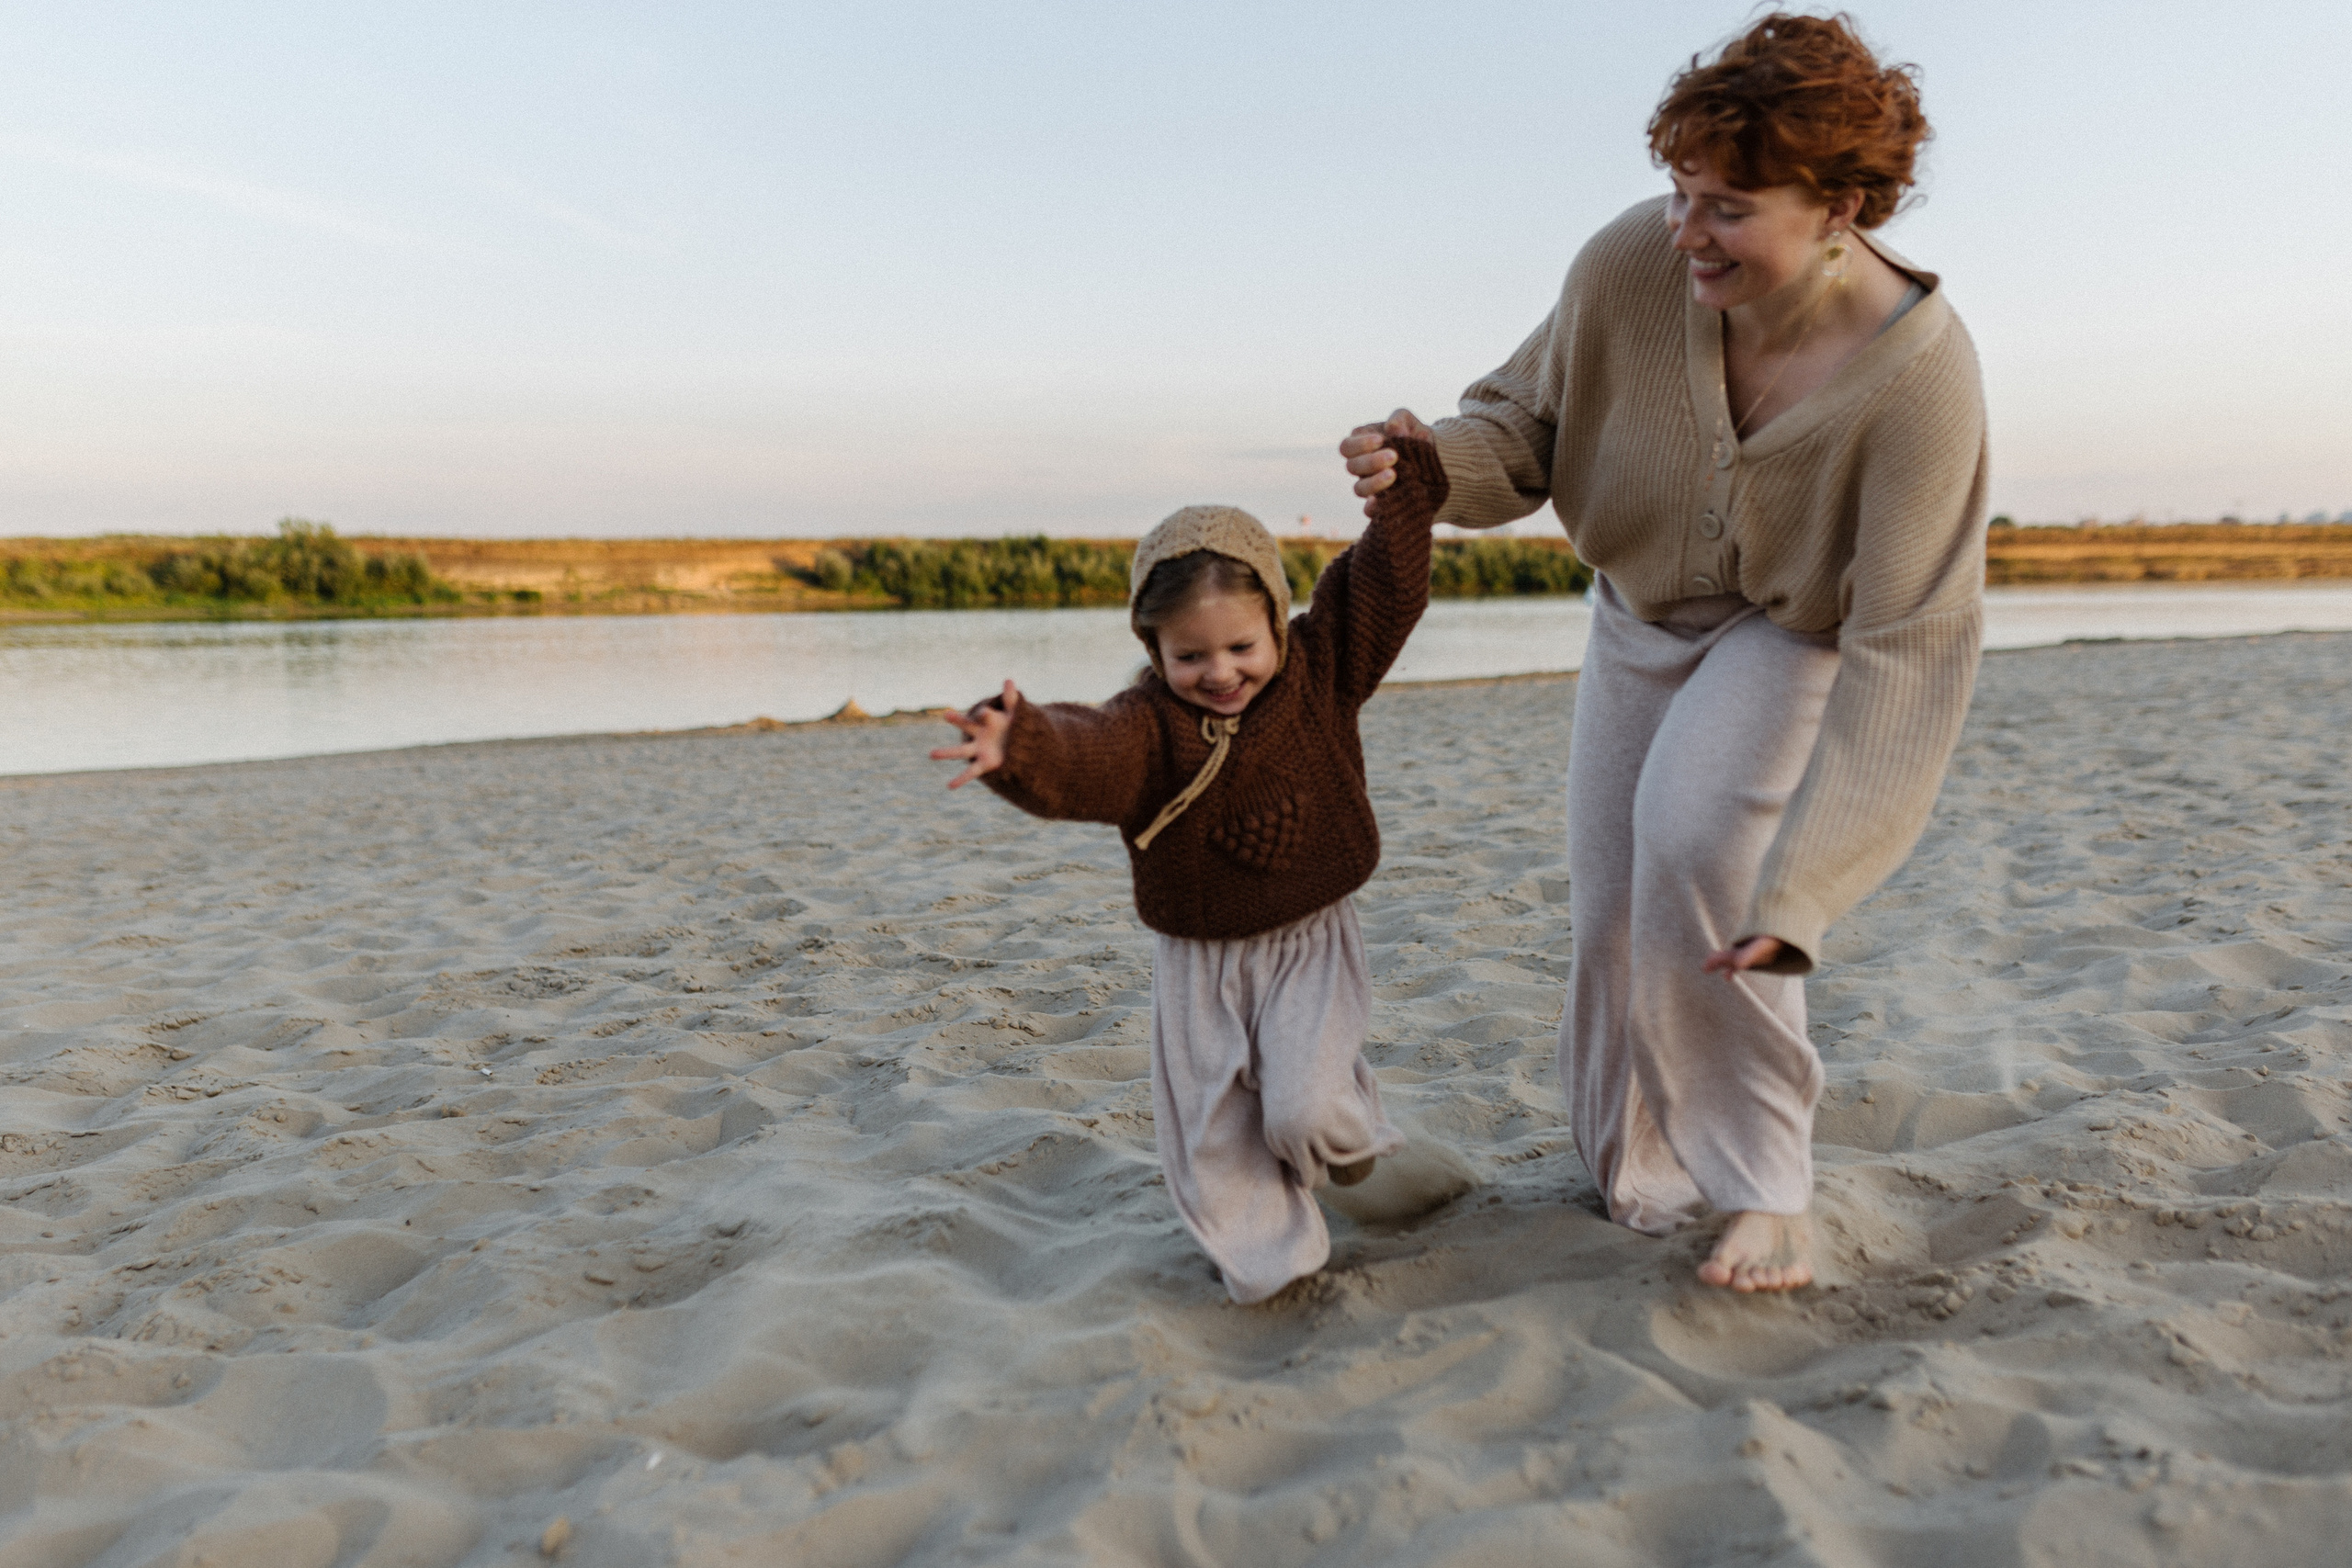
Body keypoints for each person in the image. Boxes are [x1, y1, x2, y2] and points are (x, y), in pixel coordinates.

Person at [1340, 13, 1987, 1292]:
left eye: (1729, 207)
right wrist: (1429, 469)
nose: (1687, 231)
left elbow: (1909, 651)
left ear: (1841, 206)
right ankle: (1639, 1176)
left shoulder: (1922, 380)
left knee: (1700, 851)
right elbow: (1518, 429)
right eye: (1680, 192)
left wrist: (1808, 887)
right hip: (1638, 609)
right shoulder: (1631, 265)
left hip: (1792, 625)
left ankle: (1769, 1188)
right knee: (1610, 903)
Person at [931, 442, 1451, 1303]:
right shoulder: (1147, 728)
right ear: (1154, 646)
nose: (1221, 674)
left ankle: (1353, 1149)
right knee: (1217, 1134)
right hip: (1200, 962)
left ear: (1279, 621)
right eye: (1190, 656)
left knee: (1304, 1110)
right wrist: (1017, 744)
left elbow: (1382, 587)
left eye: (1242, 646)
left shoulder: (1323, 669)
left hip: (1308, 941)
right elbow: (1085, 750)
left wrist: (1403, 497)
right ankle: (1276, 1269)